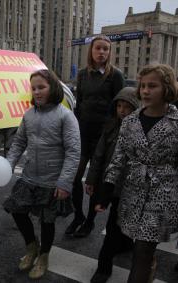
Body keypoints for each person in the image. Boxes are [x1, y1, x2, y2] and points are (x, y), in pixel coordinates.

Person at [103, 64, 178, 283]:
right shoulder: (129, 122)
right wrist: (106, 189)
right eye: (143, 86)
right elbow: (118, 158)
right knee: (138, 245)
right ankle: (148, 268)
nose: (145, 91)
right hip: (133, 193)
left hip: (163, 194)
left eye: (152, 86)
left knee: (142, 251)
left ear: (166, 88)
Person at [3, 69, 80, 280]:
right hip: (29, 176)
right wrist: (8, 165)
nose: (37, 92)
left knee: (47, 221)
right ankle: (31, 247)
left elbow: (74, 152)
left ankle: (44, 256)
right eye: (34, 88)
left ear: (52, 88)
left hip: (52, 181)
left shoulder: (66, 116)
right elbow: (19, 142)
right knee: (17, 210)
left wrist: (64, 183)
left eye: (41, 87)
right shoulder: (28, 115)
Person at [66, 35, 125, 237]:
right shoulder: (82, 74)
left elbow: (121, 106)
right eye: (98, 48)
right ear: (91, 51)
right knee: (74, 177)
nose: (102, 52)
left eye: (106, 49)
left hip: (104, 137)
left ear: (109, 53)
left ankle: (90, 222)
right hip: (83, 133)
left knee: (95, 182)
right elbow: (79, 103)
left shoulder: (115, 76)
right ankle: (78, 216)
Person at [83, 87, 139, 283]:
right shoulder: (110, 127)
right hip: (110, 185)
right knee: (114, 224)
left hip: (130, 187)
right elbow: (98, 156)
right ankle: (109, 261)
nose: (122, 111)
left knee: (118, 224)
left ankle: (114, 256)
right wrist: (91, 180)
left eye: (127, 107)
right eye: (119, 106)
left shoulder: (139, 130)